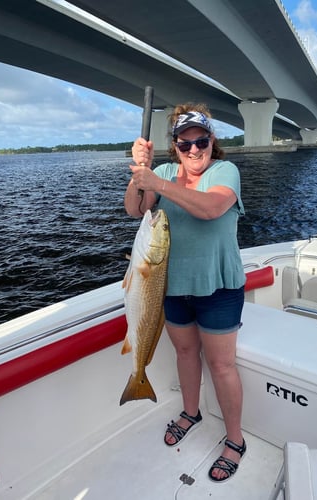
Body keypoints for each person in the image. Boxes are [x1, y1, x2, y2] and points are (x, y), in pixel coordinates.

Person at [124, 103, 246, 483]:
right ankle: (191, 413)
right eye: (185, 143)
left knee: (222, 365)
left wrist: (157, 184)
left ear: (212, 141)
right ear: (174, 145)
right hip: (171, 286)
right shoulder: (160, 172)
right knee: (185, 353)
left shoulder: (225, 171)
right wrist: (138, 175)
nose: (194, 150)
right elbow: (134, 209)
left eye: (201, 141)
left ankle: (235, 441)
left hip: (218, 286)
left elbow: (210, 209)